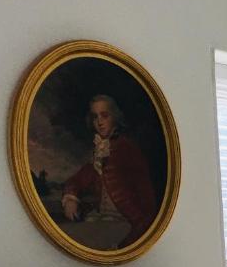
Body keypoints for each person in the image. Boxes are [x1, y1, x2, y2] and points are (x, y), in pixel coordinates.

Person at [62, 94, 158, 246]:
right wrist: (70, 199)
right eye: (95, 117)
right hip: (100, 218)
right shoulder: (99, 150)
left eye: (104, 115)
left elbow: (145, 194)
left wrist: (142, 228)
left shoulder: (127, 148)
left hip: (126, 222)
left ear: (114, 117)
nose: (99, 122)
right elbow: (79, 179)